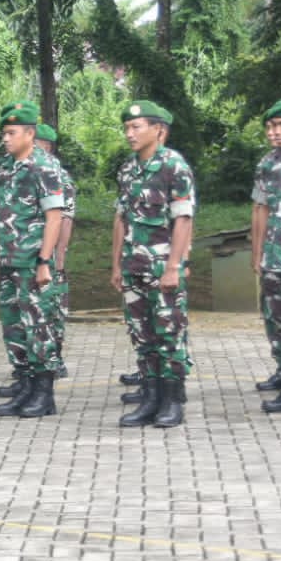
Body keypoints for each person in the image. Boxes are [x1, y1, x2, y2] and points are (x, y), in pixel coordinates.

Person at [112, 101, 196, 428]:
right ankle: (150, 399)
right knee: (142, 336)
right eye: (127, 128)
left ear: (158, 130)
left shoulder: (173, 166)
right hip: (133, 266)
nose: (129, 133)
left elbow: (183, 219)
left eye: (136, 127)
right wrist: (116, 265)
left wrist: (174, 265)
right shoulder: (127, 169)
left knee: (169, 334)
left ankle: (172, 401)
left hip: (163, 268)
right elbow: (120, 218)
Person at [0, 102, 65, 418]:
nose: (5, 139)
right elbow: (1, 215)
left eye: (11, 133)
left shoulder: (44, 167)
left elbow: (54, 216)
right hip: (10, 260)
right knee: (14, 328)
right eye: (4, 133)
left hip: (33, 261)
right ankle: (24, 386)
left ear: (30, 134)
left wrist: (45, 261)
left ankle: (44, 394)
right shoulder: (5, 167)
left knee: (38, 326)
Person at [253, 98, 281, 413]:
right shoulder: (268, 163)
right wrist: (258, 253)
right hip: (276, 257)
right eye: (270, 126)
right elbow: (260, 209)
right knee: (276, 320)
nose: (273, 132)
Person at [36, 123, 75, 379]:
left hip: (49, 257)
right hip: (29, 253)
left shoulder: (58, 175)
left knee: (52, 309)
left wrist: (58, 257)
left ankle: (55, 358)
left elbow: (64, 218)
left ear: (46, 146)